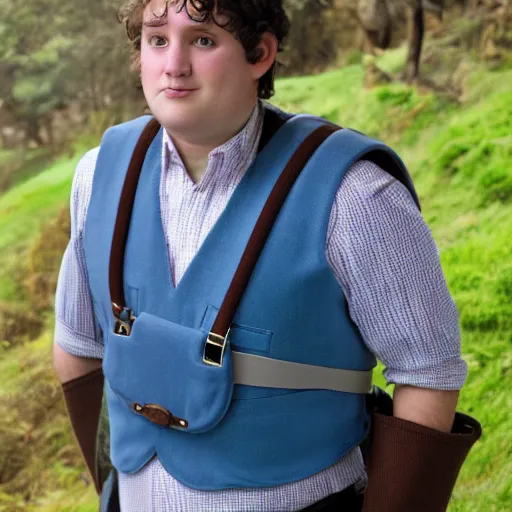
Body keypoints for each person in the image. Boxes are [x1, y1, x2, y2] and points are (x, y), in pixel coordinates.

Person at [52, 1, 480, 511]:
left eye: (204, 40)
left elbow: (427, 373)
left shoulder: (354, 194)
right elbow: (78, 346)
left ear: (260, 52)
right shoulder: (98, 176)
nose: (174, 65)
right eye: (158, 39)